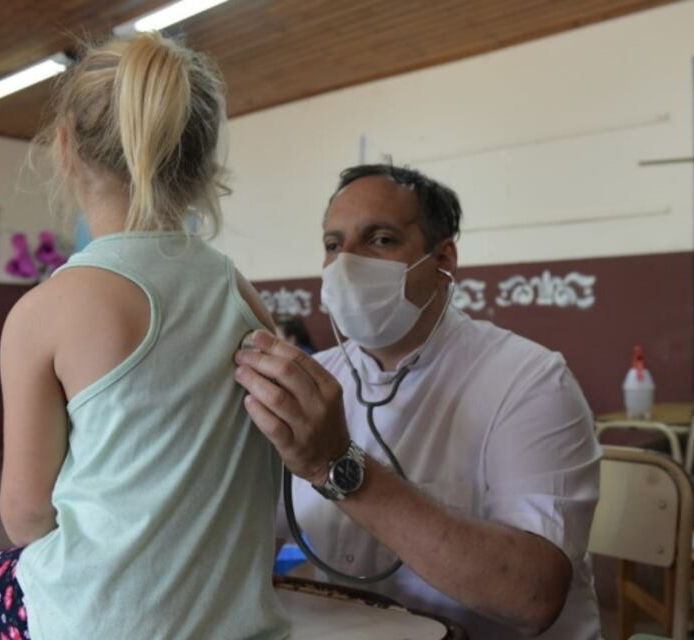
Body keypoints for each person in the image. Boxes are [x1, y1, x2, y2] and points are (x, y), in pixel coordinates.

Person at [0, 33, 289, 640]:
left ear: (64, 148)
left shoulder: (46, 310)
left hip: (95, 619)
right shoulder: (240, 294)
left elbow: (27, 517)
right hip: (235, 620)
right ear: (202, 166)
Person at [233, 164, 602, 638]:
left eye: (380, 239)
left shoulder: (530, 381)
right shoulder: (313, 379)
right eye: (333, 244)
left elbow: (531, 596)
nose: (346, 263)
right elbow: (250, 544)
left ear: (443, 261)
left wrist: (336, 465)